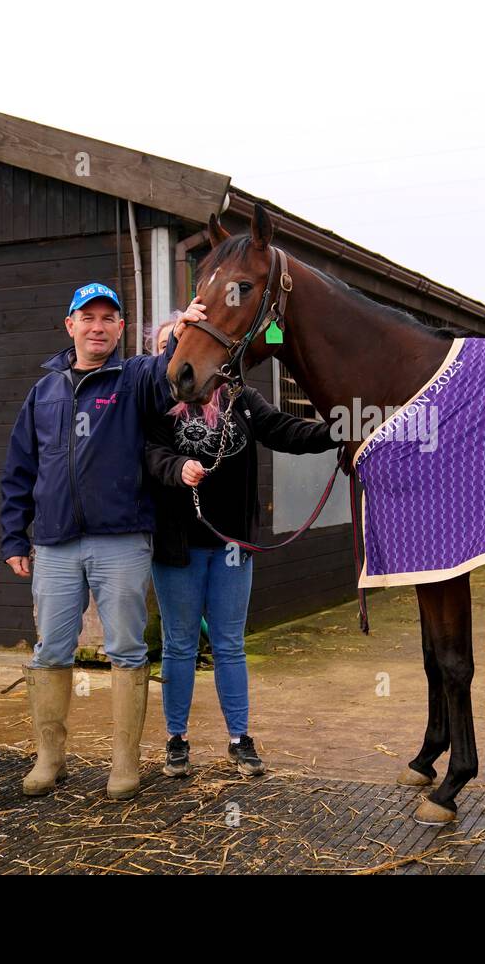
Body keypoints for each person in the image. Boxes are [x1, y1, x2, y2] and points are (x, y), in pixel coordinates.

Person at [0, 283, 204, 801]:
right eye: (87, 317)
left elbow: (168, 376)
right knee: (50, 652)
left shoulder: (134, 377)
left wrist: (181, 335)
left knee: (128, 651)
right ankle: (49, 759)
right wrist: (13, 537)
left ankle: (124, 764)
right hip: (54, 543)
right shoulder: (43, 391)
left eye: (108, 318)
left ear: (120, 329)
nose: (97, 326)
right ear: (69, 325)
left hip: (121, 539)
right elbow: (20, 467)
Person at [145, 309, 338, 778]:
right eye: (171, 345)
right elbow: (149, 455)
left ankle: (239, 738)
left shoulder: (241, 400)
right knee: (179, 644)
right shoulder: (153, 403)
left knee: (230, 643)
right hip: (178, 545)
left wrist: (337, 431)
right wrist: (176, 468)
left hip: (232, 544)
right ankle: (176, 738)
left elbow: (286, 431)